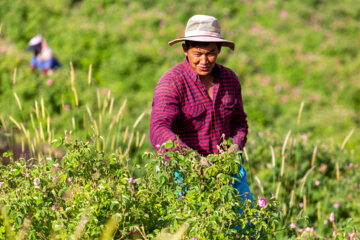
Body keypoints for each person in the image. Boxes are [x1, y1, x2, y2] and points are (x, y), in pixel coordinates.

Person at [150, 15, 253, 202]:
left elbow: (240, 121)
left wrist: (235, 147)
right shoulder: (172, 82)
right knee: (186, 227)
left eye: (211, 53)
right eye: (198, 53)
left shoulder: (229, 79)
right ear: (185, 50)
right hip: (182, 171)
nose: (204, 60)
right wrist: (192, 159)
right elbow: (158, 129)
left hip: (225, 171)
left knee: (246, 224)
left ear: (219, 50)